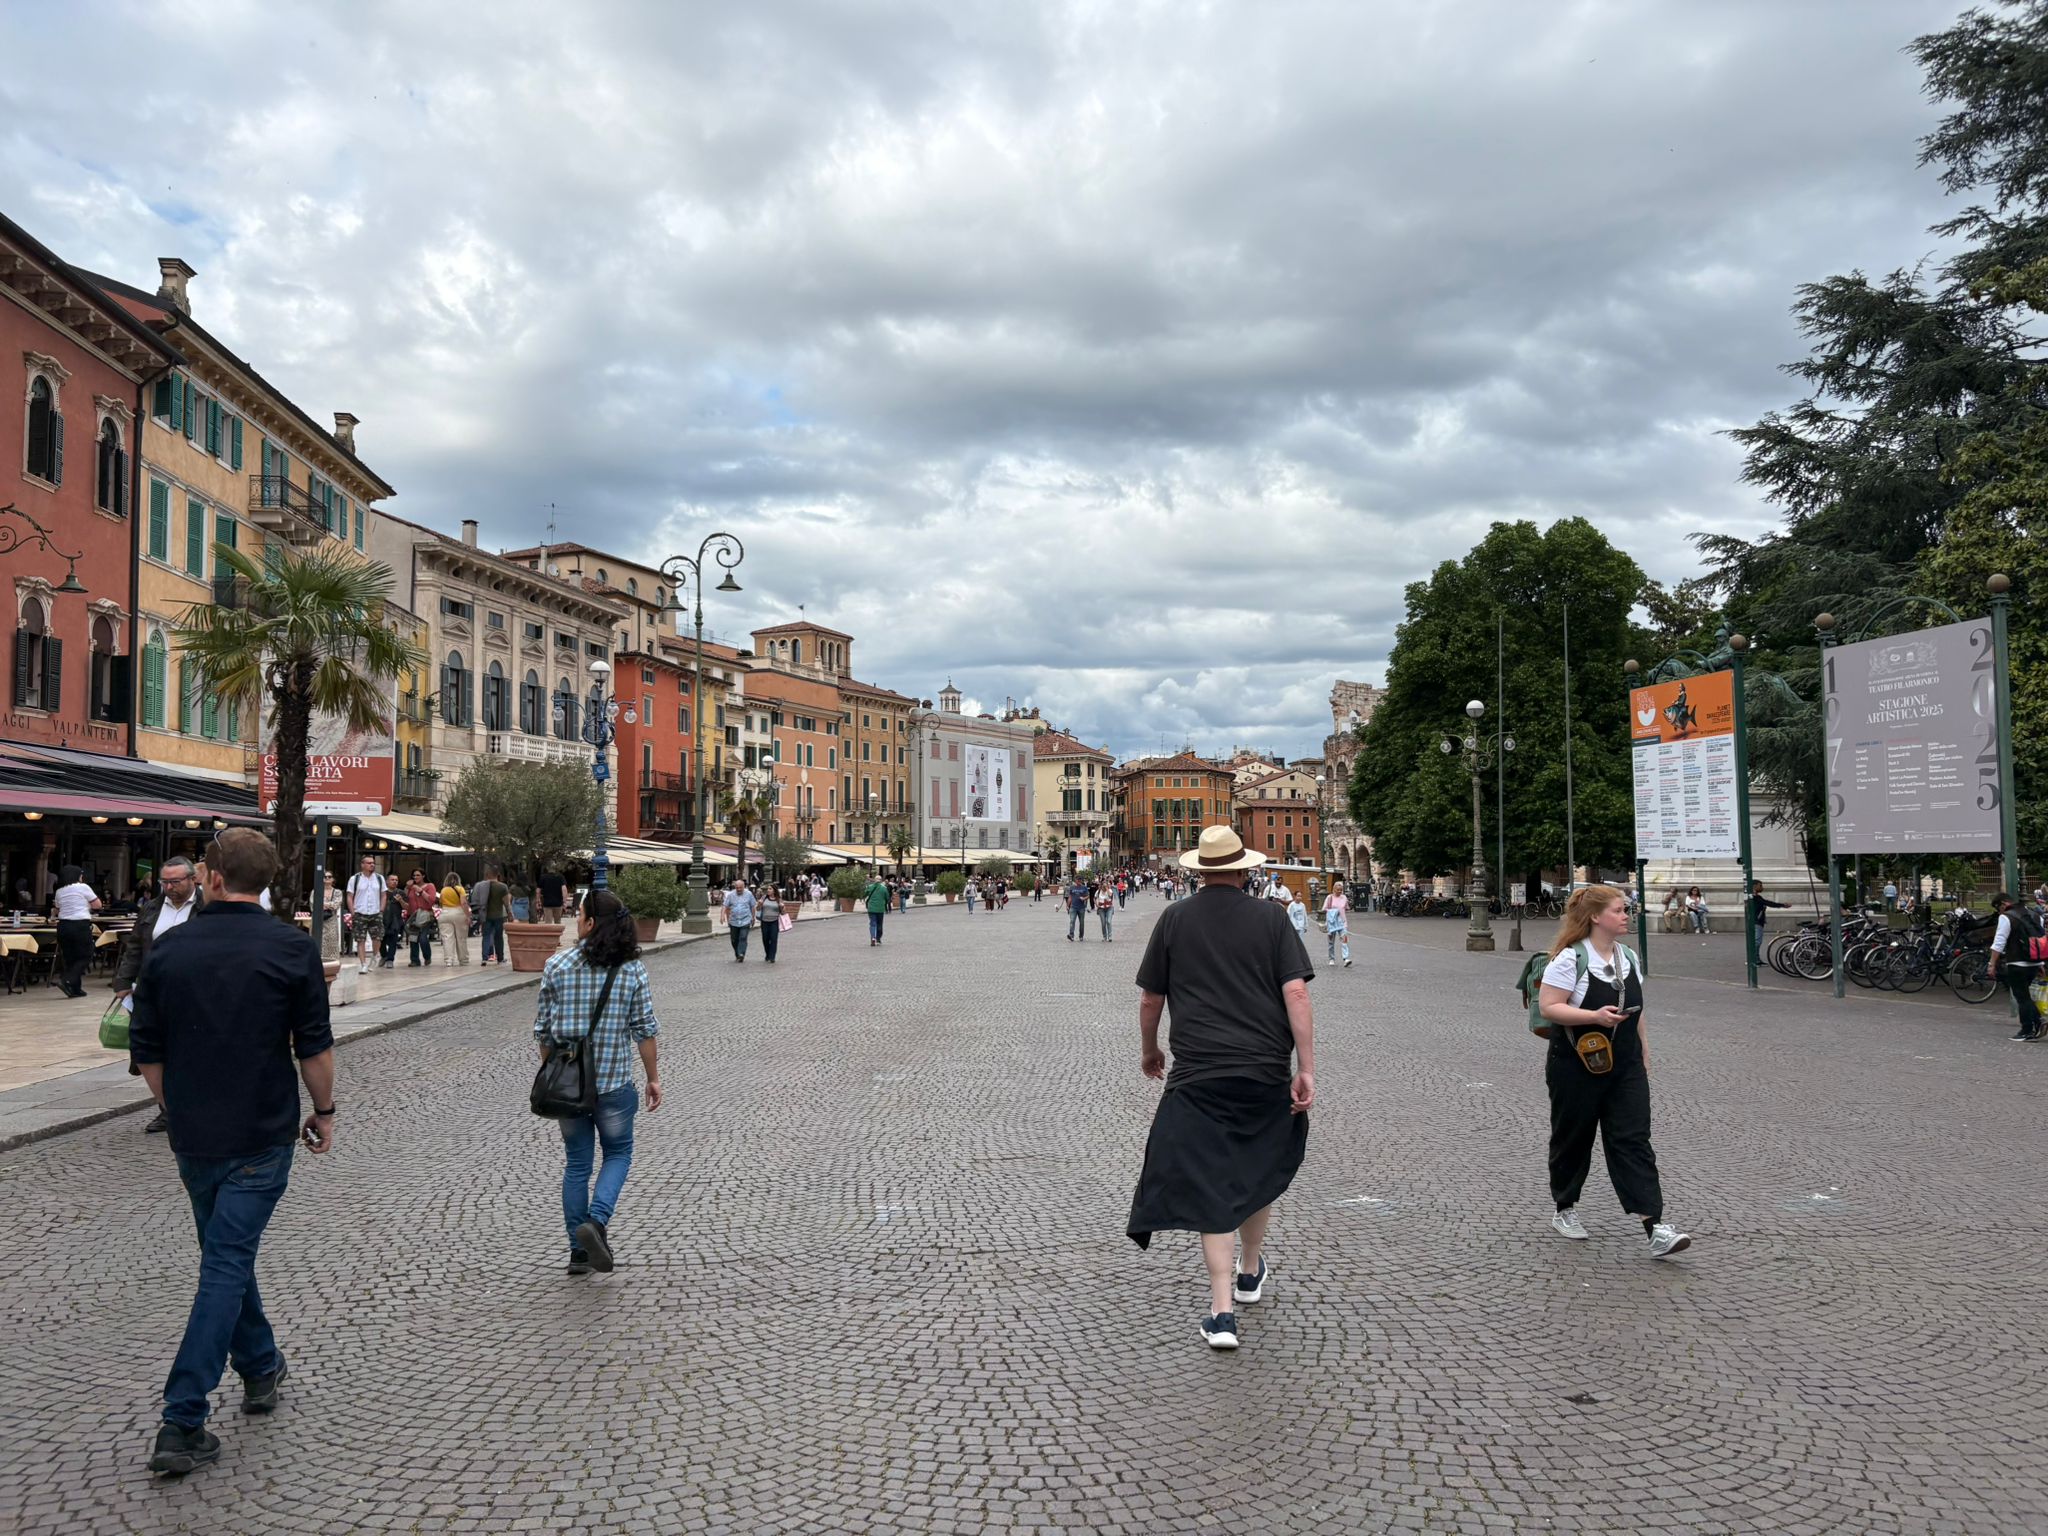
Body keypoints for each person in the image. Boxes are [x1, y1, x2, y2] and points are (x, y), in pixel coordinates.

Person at [129, 828, 335, 1476]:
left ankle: (261, 1365)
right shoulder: (292, 949)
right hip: (262, 1135)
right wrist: (324, 1112)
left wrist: (174, 1110)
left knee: (224, 1255)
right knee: (227, 1261)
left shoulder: (168, 950)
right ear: (264, 881)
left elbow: (148, 1055)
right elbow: (315, 1048)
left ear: (212, 878)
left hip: (194, 1138)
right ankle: (182, 1418)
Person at [1127, 826, 1314, 1352]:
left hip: (1199, 1074)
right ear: (1245, 868)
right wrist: (1306, 1067)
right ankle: (1250, 1271)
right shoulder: (1273, 918)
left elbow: (1149, 1000)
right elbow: (1296, 994)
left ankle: (1221, 1310)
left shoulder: (1174, 918)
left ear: (1198, 871)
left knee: (1212, 1180)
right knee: (1255, 1165)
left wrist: (1151, 1049)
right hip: (1263, 1070)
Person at [1536, 885, 1690, 1260]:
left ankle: (1655, 1227)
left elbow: (1638, 1011)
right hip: (1574, 1063)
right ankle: (1565, 1207)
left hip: (1625, 1064)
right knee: (1574, 1137)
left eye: (1627, 909)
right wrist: (1593, 1016)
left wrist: (1644, 1053)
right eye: (1620, 910)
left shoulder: (1629, 958)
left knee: (1633, 1139)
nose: (1626, 915)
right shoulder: (1570, 960)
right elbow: (1549, 1007)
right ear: (1595, 917)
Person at [534, 887, 661, 1276]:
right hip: (613, 1084)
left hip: (569, 1087)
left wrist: (557, 1074)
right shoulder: (631, 969)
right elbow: (645, 1030)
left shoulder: (557, 965)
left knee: (576, 1164)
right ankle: (598, 1221)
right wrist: (653, 1078)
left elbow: (543, 1032)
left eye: (580, 914)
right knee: (618, 1153)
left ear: (590, 922)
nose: (576, 919)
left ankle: (578, 1252)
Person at [116, 855, 203, 1135]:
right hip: (152, 991)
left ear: (193, 879)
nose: (169, 887)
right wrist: (123, 981)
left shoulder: (208, 908)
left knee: (189, 1050)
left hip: (194, 991)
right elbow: (134, 947)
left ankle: (191, 1106)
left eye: (175, 881)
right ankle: (167, 1109)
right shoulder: (152, 908)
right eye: (165, 882)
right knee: (150, 1050)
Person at [1988, 892, 2044, 1042]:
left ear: (2004, 904)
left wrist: (1992, 963)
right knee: (2026, 995)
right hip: (2035, 961)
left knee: (2022, 996)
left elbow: (1999, 942)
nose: (1999, 912)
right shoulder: (2035, 915)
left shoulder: (2006, 917)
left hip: (2017, 962)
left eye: (1998, 908)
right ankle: (2038, 1022)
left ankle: (2028, 1029)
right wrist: (2042, 962)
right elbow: (2041, 938)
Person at [52, 864, 101, 998]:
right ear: (77, 876)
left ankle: (75, 988)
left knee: (71, 958)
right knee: (86, 954)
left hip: (63, 926)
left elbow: (57, 909)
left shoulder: (59, 891)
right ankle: (67, 979)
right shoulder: (83, 887)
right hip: (79, 924)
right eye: (81, 874)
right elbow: (98, 905)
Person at [344, 857, 384, 975]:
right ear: (362, 865)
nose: (372, 865)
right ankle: (363, 964)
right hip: (360, 912)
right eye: (369, 863)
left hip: (375, 911)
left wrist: (381, 909)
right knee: (360, 939)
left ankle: (376, 954)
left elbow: (383, 894)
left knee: (377, 937)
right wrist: (353, 912)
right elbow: (349, 896)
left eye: (373, 863)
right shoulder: (355, 879)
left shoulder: (379, 878)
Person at [475, 866, 510, 965]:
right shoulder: (502, 887)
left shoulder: (481, 887)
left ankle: (484, 958)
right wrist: (510, 913)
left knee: (486, 936)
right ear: (497, 875)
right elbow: (506, 903)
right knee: (498, 937)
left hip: (486, 915)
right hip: (499, 915)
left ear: (487, 875)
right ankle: (500, 958)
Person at [404, 869, 438, 966]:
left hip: (425, 915)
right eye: (414, 875)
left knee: (423, 938)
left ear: (423, 876)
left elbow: (431, 900)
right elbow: (405, 897)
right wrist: (407, 887)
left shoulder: (430, 886)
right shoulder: (411, 887)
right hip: (413, 916)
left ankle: (427, 956)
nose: (415, 877)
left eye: (418, 875)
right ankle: (414, 960)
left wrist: (421, 891)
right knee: (413, 938)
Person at [723, 880, 757, 960]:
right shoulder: (730, 895)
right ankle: (737, 953)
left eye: (740, 888)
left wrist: (753, 917)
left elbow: (752, 906)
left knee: (743, 937)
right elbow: (725, 906)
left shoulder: (749, 894)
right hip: (734, 920)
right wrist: (723, 917)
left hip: (745, 919)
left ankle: (741, 953)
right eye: (737, 887)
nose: (738, 889)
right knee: (734, 939)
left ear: (744, 887)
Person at [1322, 879, 1352, 968]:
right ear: (1334, 889)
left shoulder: (1344, 897)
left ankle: (1346, 958)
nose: (1339, 891)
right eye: (1338, 890)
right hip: (1332, 923)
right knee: (1331, 942)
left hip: (1342, 923)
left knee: (1344, 941)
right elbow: (1324, 909)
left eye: (1341, 890)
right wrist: (1333, 911)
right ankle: (1331, 959)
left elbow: (1346, 908)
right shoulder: (1329, 897)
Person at [379, 875, 405, 968]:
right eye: (392, 880)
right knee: (381, 940)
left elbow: (407, 907)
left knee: (393, 941)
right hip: (382, 919)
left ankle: (390, 959)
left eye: (396, 880)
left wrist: (401, 900)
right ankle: (384, 955)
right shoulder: (381, 893)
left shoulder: (400, 892)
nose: (394, 881)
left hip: (395, 920)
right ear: (387, 881)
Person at [863, 869, 891, 945]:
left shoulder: (870, 886)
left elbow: (864, 894)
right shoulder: (884, 888)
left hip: (871, 908)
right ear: (881, 880)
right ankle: (878, 939)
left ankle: (873, 937)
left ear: (875, 880)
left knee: (872, 923)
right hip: (880, 909)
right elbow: (887, 898)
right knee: (879, 924)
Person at [758, 885, 784, 964]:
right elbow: (757, 909)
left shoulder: (778, 900)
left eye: (770, 889)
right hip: (764, 921)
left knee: (773, 939)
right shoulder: (764, 898)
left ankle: (772, 957)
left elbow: (783, 913)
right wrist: (759, 904)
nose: (768, 890)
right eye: (768, 889)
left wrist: (782, 907)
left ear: (774, 890)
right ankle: (768, 954)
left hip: (774, 921)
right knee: (765, 939)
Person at [1067, 877, 1091, 942]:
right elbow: (1070, 897)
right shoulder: (1072, 887)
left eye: (1080, 880)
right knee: (1072, 921)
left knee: (1082, 922)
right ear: (1075, 880)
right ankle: (1071, 935)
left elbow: (1088, 896)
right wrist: (1067, 905)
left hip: (1081, 907)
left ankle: (1081, 936)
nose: (1078, 881)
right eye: (1077, 880)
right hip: (1073, 907)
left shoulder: (1084, 887)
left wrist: (1084, 898)